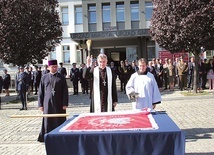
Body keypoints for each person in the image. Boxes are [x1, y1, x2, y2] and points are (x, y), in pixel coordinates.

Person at [38, 59, 68, 142]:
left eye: (55, 66)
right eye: (52, 67)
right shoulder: (44, 77)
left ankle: (60, 135)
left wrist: (65, 103)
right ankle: (47, 135)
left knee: (59, 119)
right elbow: (40, 91)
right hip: (47, 103)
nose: (54, 68)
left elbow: (65, 91)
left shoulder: (61, 77)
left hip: (59, 102)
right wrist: (40, 104)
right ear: (48, 67)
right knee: (48, 120)